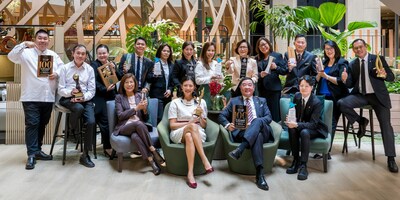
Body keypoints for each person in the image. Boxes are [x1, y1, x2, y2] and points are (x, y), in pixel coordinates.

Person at [7, 29, 64, 170]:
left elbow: (63, 69)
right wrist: (24, 44)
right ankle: (31, 154)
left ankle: (37, 150)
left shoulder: (53, 55)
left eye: (45, 38)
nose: (43, 40)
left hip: (48, 97)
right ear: (35, 39)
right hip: (31, 96)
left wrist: (56, 73)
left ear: (48, 41)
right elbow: (10, 56)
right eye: (40, 38)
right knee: (32, 124)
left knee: (42, 124)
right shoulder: (25, 53)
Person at [339, 38, 398, 173]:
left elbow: (391, 77)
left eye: (360, 47)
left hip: (378, 97)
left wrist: (384, 75)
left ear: (365, 47)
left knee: (386, 126)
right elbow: (350, 84)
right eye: (356, 48)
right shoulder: (353, 64)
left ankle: (391, 158)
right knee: (342, 103)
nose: (358, 50)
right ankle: (361, 121)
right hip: (361, 96)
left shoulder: (377, 58)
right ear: (353, 50)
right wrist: (344, 79)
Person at [218, 77, 273, 191]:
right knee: (257, 136)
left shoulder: (261, 100)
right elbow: (221, 116)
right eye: (244, 85)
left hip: (264, 130)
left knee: (257, 121)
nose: (247, 87)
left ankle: (240, 149)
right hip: (243, 132)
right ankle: (260, 174)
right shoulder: (234, 101)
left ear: (253, 88)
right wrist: (228, 125)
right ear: (240, 88)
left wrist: (255, 124)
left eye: (250, 85)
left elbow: (268, 118)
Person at [113, 73, 165, 175]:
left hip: (138, 128)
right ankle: (153, 150)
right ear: (123, 85)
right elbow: (120, 116)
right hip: (124, 127)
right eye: (126, 82)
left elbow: (145, 118)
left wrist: (145, 110)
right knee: (139, 124)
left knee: (135, 137)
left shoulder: (140, 96)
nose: (129, 84)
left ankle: (151, 162)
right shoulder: (119, 97)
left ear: (135, 84)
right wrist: (136, 108)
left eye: (131, 82)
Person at [168, 76, 213, 189]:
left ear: (194, 87)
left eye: (190, 85)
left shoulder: (201, 102)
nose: (188, 88)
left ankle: (190, 174)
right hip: (178, 132)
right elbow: (172, 125)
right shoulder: (175, 103)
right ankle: (205, 160)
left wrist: (202, 116)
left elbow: (204, 125)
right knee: (191, 127)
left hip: (197, 132)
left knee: (189, 136)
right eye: (185, 85)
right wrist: (189, 123)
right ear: (181, 87)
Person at [58, 44, 96, 168]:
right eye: (78, 53)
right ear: (73, 53)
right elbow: (60, 89)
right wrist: (71, 93)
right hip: (68, 98)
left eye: (83, 54)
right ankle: (73, 129)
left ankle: (85, 155)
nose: (80, 55)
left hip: (85, 99)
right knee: (78, 108)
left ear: (85, 56)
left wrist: (83, 97)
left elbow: (92, 90)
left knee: (91, 122)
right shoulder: (65, 68)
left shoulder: (89, 69)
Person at [285, 75, 328, 180]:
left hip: (315, 128)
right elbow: (292, 109)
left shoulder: (316, 102)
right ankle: (296, 160)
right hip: (300, 124)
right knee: (291, 128)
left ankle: (304, 165)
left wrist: (297, 124)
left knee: (304, 132)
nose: (303, 88)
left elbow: (313, 124)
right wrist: (290, 118)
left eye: (306, 86)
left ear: (312, 87)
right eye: (301, 86)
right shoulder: (296, 96)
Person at [315, 40, 349, 158]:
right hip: (321, 96)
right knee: (320, 122)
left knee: (332, 122)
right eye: (326, 49)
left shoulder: (342, 62)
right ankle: (321, 147)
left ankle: (327, 151)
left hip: (335, 97)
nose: (329, 51)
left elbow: (341, 81)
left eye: (331, 48)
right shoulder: (323, 62)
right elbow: (316, 81)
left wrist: (326, 76)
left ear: (335, 49)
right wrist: (319, 74)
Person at [90, 44, 116, 158]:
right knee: (105, 121)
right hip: (99, 97)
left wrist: (114, 69)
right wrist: (105, 89)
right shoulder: (93, 65)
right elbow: (93, 83)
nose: (102, 55)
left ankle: (114, 145)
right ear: (97, 54)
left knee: (115, 120)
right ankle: (107, 147)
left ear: (108, 54)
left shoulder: (110, 65)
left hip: (111, 96)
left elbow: (118, 78)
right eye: (100, 53)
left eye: (104, 53)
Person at [255, 37, 287, 122]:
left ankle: (275, 131)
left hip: (274, 90)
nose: (263, 47)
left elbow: (285, 71)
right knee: (263, 113)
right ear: (258, 48)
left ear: (269, 44)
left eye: (265, 44)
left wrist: (276, 67)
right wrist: (260, 75)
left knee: (274, 113)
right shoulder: (256, 59)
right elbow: (253, 74)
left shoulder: (277, 56)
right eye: (261, 45)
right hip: (261, 90)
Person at [146, 44, 174, 123]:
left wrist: (170, 90)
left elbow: (172, 81)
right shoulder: (154, 63)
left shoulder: (172, 65)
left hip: (168, 96)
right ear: (160, 52)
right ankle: (158, 134)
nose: (166, 53)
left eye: (168, 51)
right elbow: (148, 78)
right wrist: (154, 75)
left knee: (168, 118)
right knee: (159, 118)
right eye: (164, 51)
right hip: (157, 95)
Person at [194, 42, 224, 109]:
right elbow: (197, 81)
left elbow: (220, 76)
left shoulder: (216, 63)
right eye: (209, 50)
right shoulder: (200, 64)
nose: (211, 53)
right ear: (204, 51)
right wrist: (210, 78)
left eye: (213, 51)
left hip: (216, 93)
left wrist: (220, 79)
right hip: (205, 93)